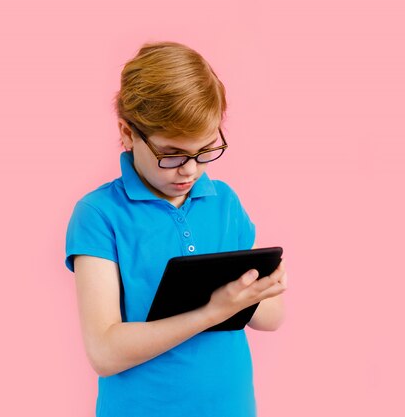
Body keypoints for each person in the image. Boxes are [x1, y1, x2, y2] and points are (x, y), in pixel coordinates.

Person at [64, 41, 287, 417]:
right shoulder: (98, 215)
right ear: (128, 132)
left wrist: (262, 290)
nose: (189, 170)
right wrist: (212, 312)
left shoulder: (224, 201)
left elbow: (272, 317)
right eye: (172, 154)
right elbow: (104, 351)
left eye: (204, 151)